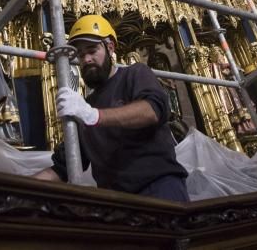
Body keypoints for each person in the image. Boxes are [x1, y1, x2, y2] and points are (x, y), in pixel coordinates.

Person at [33, 15, 189, 202]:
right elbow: (63, 167)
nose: (87, 59)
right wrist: (13, 188)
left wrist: (93, 116)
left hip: (159, 189)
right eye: (81, 55)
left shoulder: (135, 74)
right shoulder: (85, 106)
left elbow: (151, 111)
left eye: (92, 51)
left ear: (110, 48)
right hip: (116, 203)